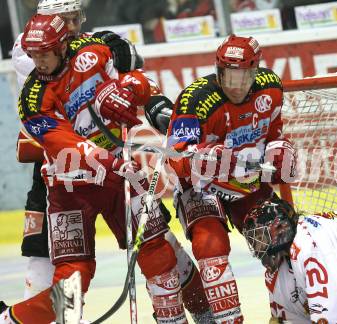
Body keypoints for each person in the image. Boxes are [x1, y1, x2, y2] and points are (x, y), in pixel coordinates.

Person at [1, 13, 191, 324]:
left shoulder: (94, 51)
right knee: (71, 280)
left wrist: (130, 87)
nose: (40, 62)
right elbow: (67, 146)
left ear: (63, 45)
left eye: (45, 53)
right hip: (69, 189)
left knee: (157, 251)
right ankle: (9, 321)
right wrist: (113, 162)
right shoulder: (32, 100)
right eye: (34, 55)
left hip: (120, 177)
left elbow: (146, 82)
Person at [12, 0, 141, 300]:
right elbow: (63, 125)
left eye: (75, 19)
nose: (72, 28)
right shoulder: (30, 49)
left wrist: (122, 57)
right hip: (61, 164)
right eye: (63, 20)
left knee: (153, 243)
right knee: (51, 256)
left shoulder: (83, 46)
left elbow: (132, 62)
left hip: (104, 162)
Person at [166, 34, 296, 322]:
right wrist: (198, 162)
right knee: (209, 245)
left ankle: (289, 313)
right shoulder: (195, 99)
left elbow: (273, 132)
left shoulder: (271, 89)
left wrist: (278, 149)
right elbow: (175, 158)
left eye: (244, 77)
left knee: (279, 236)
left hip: (247, 183)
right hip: (202, 189)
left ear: (256, 70)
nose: (235, 86)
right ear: (218, 70)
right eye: (228, 76)